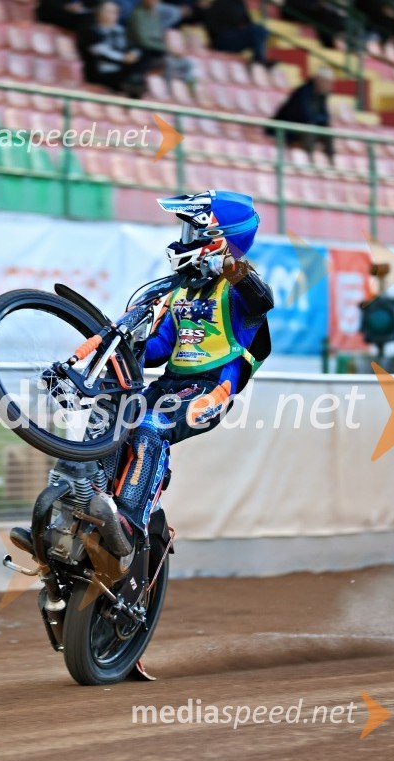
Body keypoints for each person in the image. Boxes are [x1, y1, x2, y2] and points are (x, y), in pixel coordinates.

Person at [88, 191, 274, 558]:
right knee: (105, 414)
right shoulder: (179, 291)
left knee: (150, 426)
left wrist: (231, 267)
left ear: (217, 239)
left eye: (192, 232)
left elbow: (261, 301)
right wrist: (134, 345)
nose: (182, 240)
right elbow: (160, 348)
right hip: (168, 383)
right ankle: (82, 501)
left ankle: (128, 521)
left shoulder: (239, 289)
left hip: (211, 389)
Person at [269, 66, 334, 162]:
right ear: (318, 80)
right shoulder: (303, 92)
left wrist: (318, 120)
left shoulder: (322, 96)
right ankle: (309, 161)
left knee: (327, 130)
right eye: (326, 82)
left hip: (304, 127)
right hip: (287, 128)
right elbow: (305, 115)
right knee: (310, 129)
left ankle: (331, 162)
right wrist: (318, 120)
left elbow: (326, 117)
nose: (329, 86)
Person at [126, 0, 195, 85]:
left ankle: (187, 87)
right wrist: (167, 49)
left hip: (155, 50)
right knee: (169, 62)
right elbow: (143, 41)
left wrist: (168, 50)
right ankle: (167, 90)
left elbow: (157, 37)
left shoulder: (154, 15)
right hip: (140, 51)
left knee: (187, 63)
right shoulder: (137, 15)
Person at [86, 1, 146, 96]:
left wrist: (134, 54)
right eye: (111, 12)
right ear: (100, 13)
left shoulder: (122, 31)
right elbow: (98, 51)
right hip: (102, 71)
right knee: (128, 80)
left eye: (116, 12)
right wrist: (123, 58)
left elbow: (136, 46)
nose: (115, 15)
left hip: (121, 70)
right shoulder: (91, 31)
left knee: (137, 76)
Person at [201, 0, 271, 65]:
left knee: (260, 30)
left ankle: (259, 59)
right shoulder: (220, 2)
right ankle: (259, 60)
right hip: (221, 40)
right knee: (257, 30)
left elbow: (248, 23)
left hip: (233, 38)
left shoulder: (239, 4)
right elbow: (209, 21)